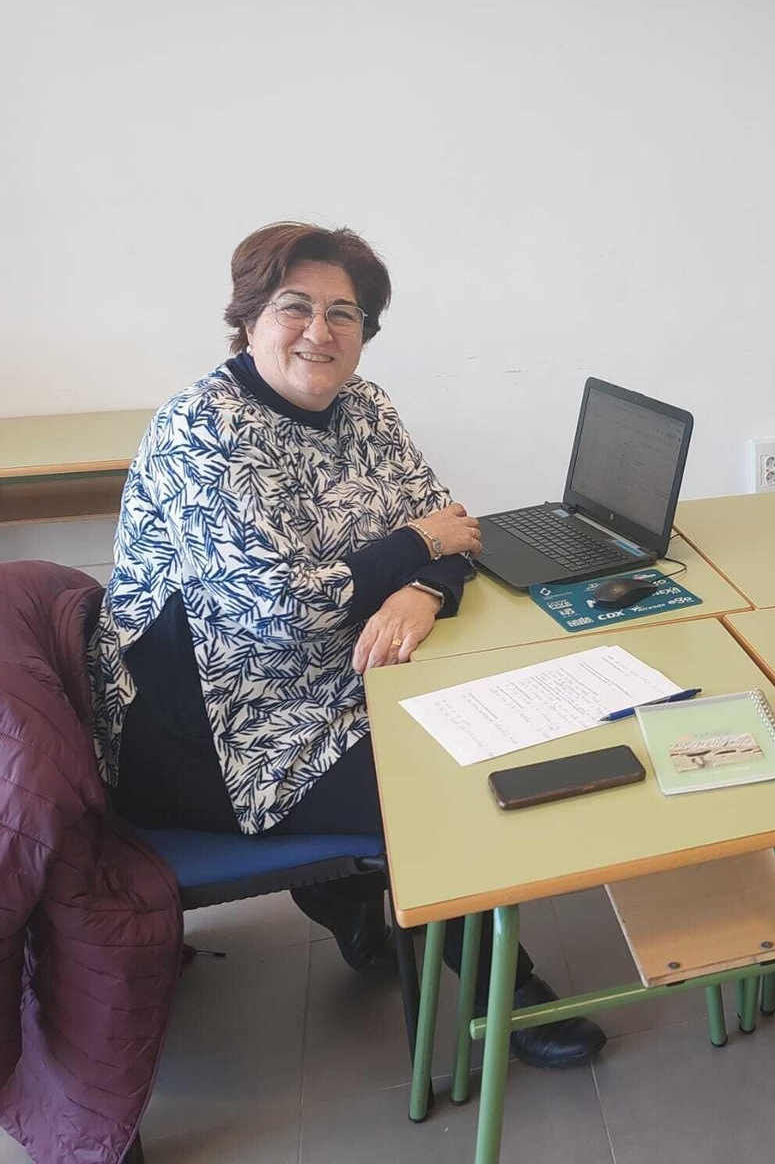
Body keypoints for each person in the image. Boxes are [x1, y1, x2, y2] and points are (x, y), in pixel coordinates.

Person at [92, 222, 605, 1069]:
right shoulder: (200, 431)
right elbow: (282, 609)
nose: (320, 332)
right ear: (250, 317)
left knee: (501, 707)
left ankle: (352, 899)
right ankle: (504, 996)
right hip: (216, 731)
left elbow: (457, 528)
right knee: (448, 784)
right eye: (296, 307)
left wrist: (420, 584)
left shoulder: (365, 407)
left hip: (333, 675)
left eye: (346, 313)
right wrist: (413, 547)